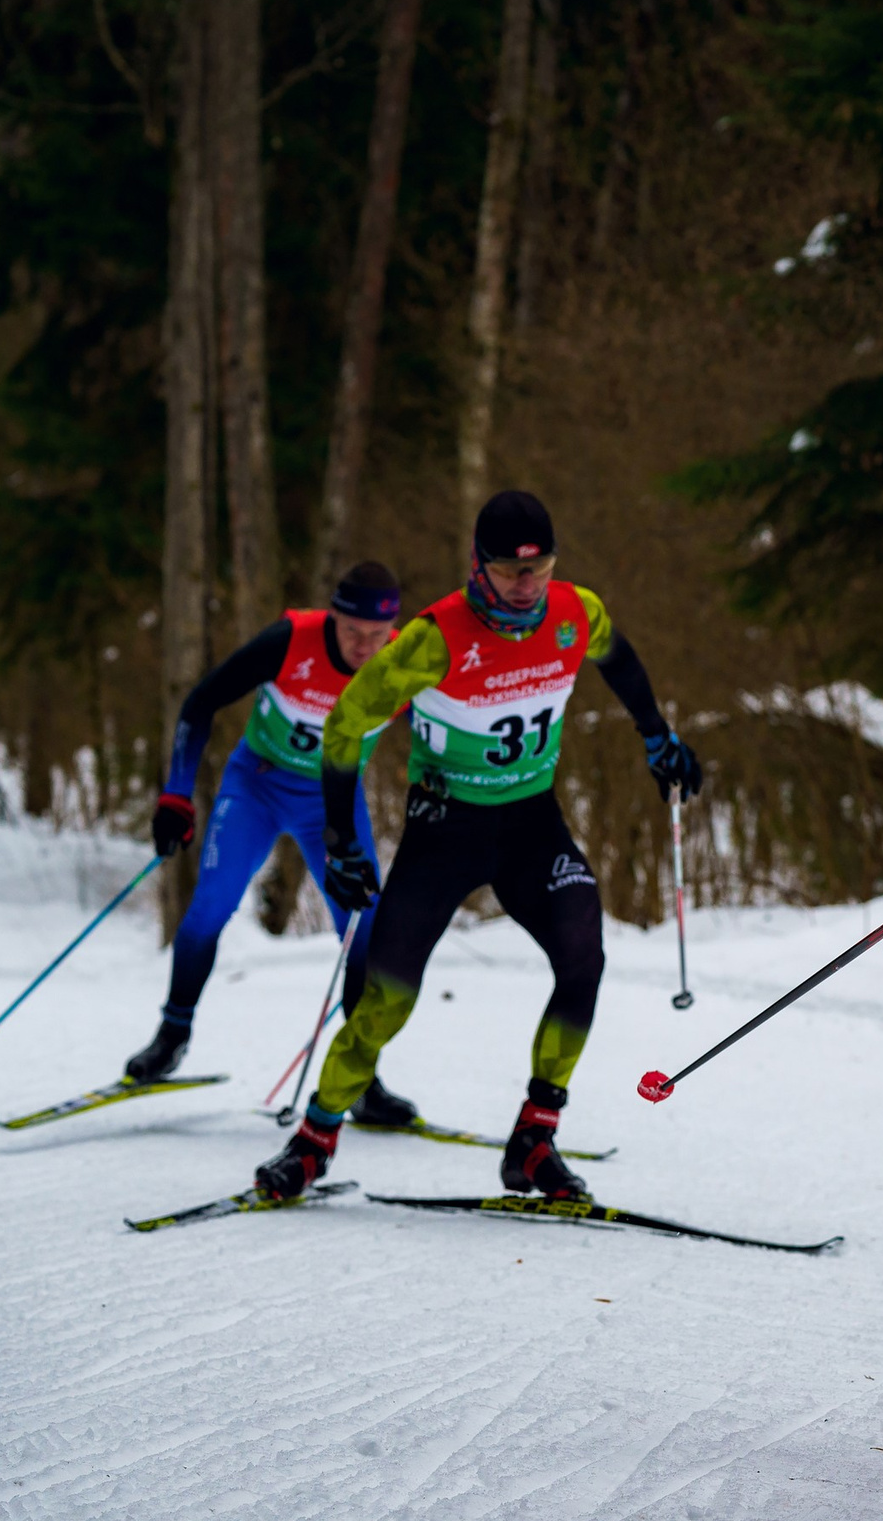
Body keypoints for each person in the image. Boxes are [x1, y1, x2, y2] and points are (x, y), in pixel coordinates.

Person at [251, 491, 703, 1201]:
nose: (527, 585)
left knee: (583, 950)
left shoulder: (576, 613)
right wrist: (339, 838)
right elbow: (344, 725)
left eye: (540, 568)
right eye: (510, 571)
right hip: (444, 830)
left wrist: (658, 738)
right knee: (387, 999)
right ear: (478, 564)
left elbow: (618, 659)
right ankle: (314, 1139)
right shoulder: (433, 639)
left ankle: (534, 1138)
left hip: (530, 822)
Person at [125, 562, 416, 1122]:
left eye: (376, 635)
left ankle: (360, 1077)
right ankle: (171, 1036)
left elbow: (440, 735)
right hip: (255, 786)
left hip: (332, 803)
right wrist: (177, 793)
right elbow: (201, 701)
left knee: (365, 929)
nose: (363, 646)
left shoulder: (403, 664)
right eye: (351, 631)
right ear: (332, 617)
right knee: (210, 907)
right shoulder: (291, 640)